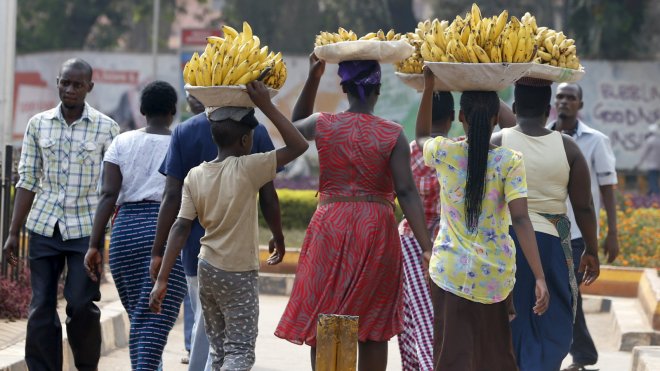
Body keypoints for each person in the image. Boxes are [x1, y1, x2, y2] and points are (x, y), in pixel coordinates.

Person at [274, 55, 433, 371]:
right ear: (378, 91)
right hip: (376, 230)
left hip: (330, 227)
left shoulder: (323, 123)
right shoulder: (392, 133)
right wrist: (427, 247)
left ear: (344, 89)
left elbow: (293, 129)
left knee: (327, 318)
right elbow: (406, 192)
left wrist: (313, 77)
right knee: (373, 326)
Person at [149, 81, 309, 369]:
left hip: (206, 268)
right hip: (238, 272)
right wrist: (266, 105)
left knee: (219, 350)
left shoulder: (195, 176)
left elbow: (180, 227)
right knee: (240, 351)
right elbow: (299, 145)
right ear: (247, 141)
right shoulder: (249, 167)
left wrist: (161, 277)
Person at [414, 68, 549, 371]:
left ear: (460, 117)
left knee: (451, 358)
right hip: (495, 277)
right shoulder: (510, 161)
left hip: (449, 273)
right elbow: (522, 220)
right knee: (496, 358)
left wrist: (429, 87)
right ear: (495, 119)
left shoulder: (444, 152)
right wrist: (539, 276)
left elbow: (422, 135)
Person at [2, 58, 119, 370]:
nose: (69, 89)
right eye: (65, 82)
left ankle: (86, 366)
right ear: (58, 82)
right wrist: (14, 232)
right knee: (40, 306)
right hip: (43, 227)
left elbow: (112, 188)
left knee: (81, 305)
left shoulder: (107, 128)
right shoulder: (38, 125)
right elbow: (26, 179)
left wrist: (105, 234)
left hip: (85, 233)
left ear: (89, 88)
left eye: (77, 84)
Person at [491, 79, 601, 371]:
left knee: (506, 321)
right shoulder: (569, 148)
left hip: (507, 244)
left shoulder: (498, 142)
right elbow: (584, 206)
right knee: (552, 319)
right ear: (548, 109)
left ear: (515, 107)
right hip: (552, 248)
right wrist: (591, 248)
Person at [83, 81, 186, 370]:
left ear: (141, 110)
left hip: (125, 233)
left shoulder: (122, 142)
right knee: (152, 320)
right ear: (173, 111)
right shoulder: (182, 142)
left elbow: (108, 195)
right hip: (169, 233)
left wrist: (94, 245)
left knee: (142, 319)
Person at [548, 83, 619, 371]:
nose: (565, 102)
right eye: (560, 97)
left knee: (568, 292)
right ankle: (581, 353)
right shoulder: (543, 135)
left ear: (580, 104)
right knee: (557, 293)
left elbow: (607, 188)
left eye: (571, 98)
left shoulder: (595, 140)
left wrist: (611, 233)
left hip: (577, 233)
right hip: (545, 228)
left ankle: (582, 354)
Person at [397, 91, 454, 371]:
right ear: (454, 118)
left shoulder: (408, 150)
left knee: (414, 318)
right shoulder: (456, 150)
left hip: (410, 242)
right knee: (438, 318)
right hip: (447, 243)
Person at [181, 92, 205, 365]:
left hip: (194, 244)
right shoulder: (252, 129)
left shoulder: (184, 132)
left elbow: (171, 198)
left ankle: (193, 349)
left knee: (198, 307)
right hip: (237, 256)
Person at [637, 123, 660, 195]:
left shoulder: (650, 140)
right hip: (658, 164)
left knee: (652, 180)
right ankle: (649, 194)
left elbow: (644, 153)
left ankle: (657, 194)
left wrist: (638, 163)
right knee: (654, 180)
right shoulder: (658, 140)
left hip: (652, 165)